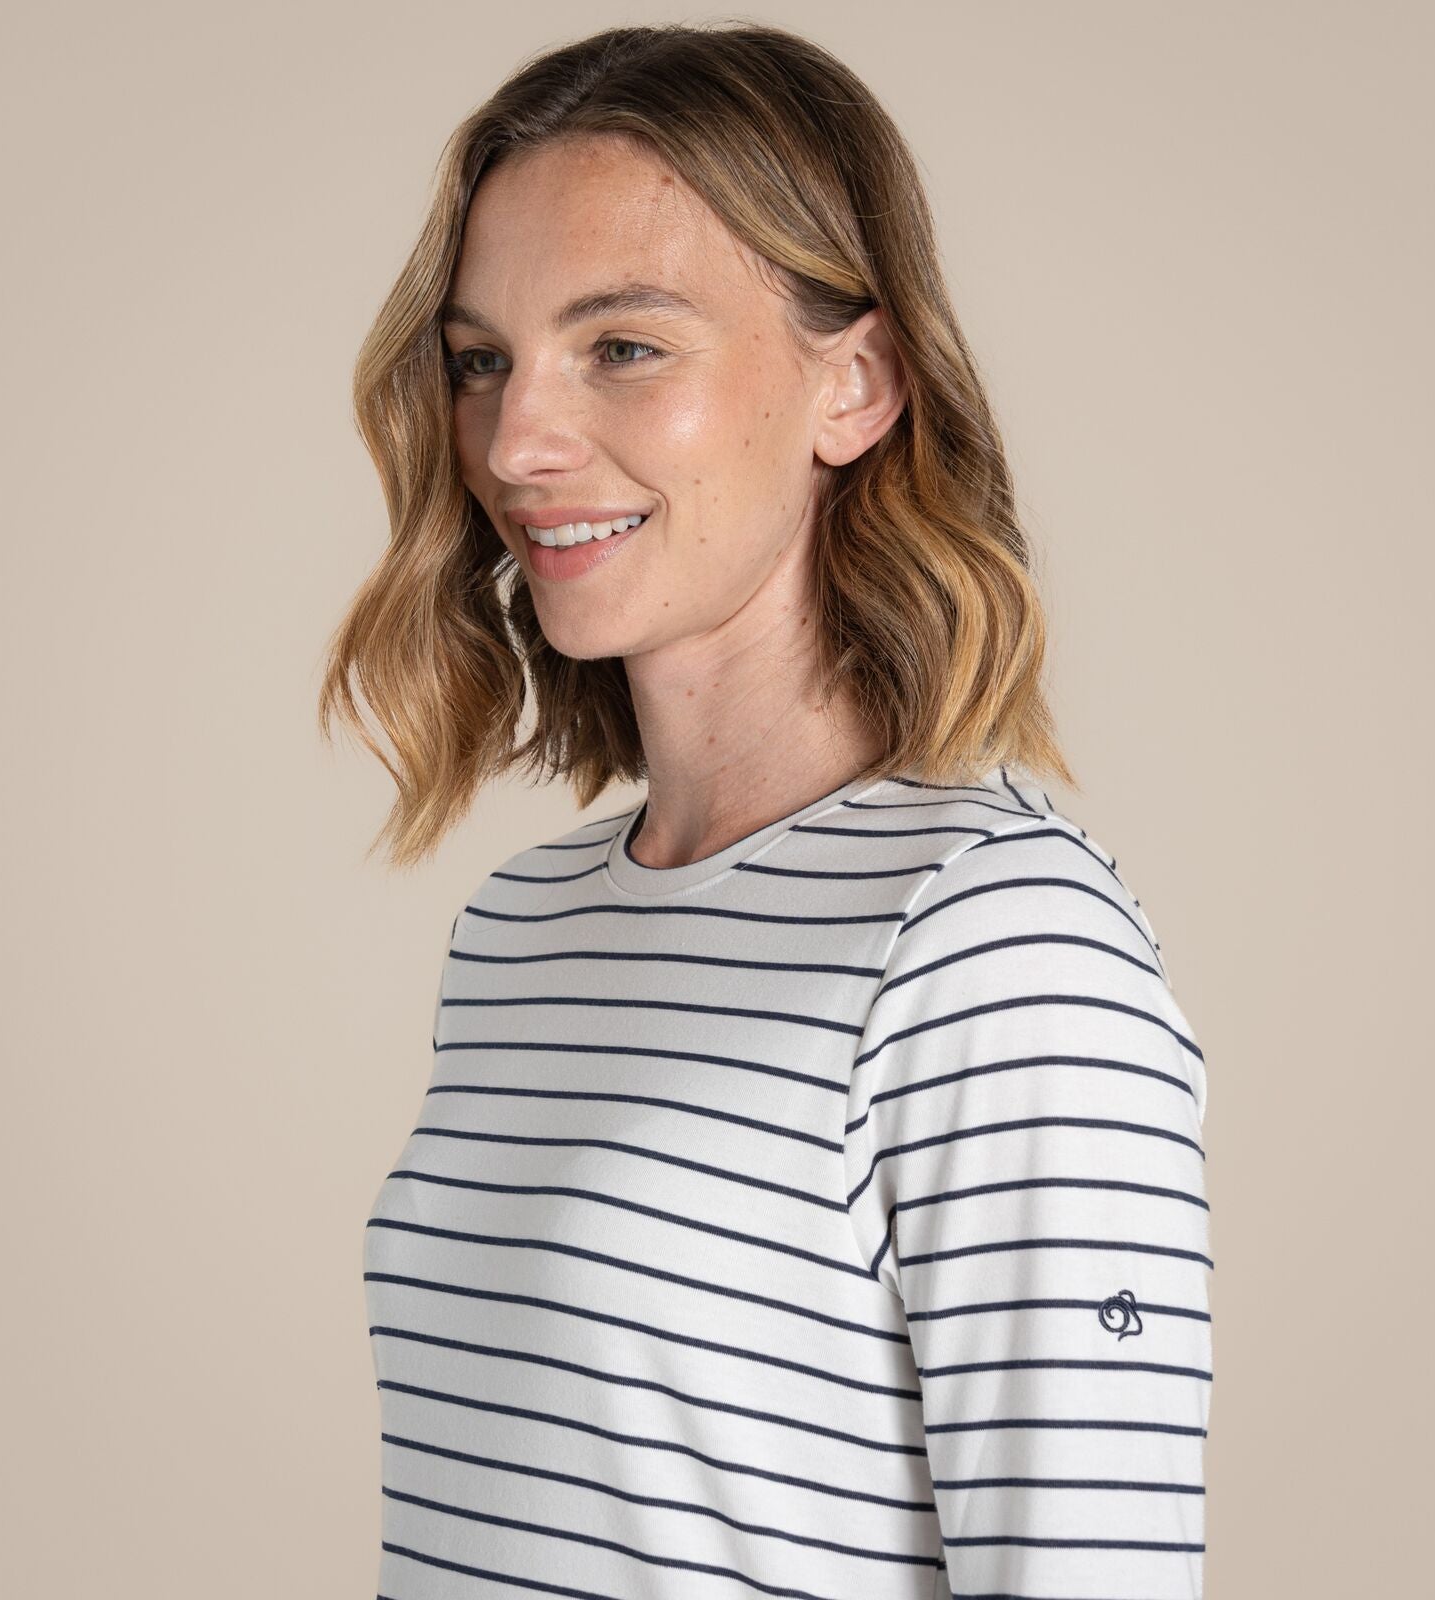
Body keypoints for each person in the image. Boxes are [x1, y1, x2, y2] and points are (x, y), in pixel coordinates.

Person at [320, 22, 1213, 1599]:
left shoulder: (996, 943)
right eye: (481, 360)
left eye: (623, 346)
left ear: (854, 384)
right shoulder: (522, 931)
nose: (517, 444)